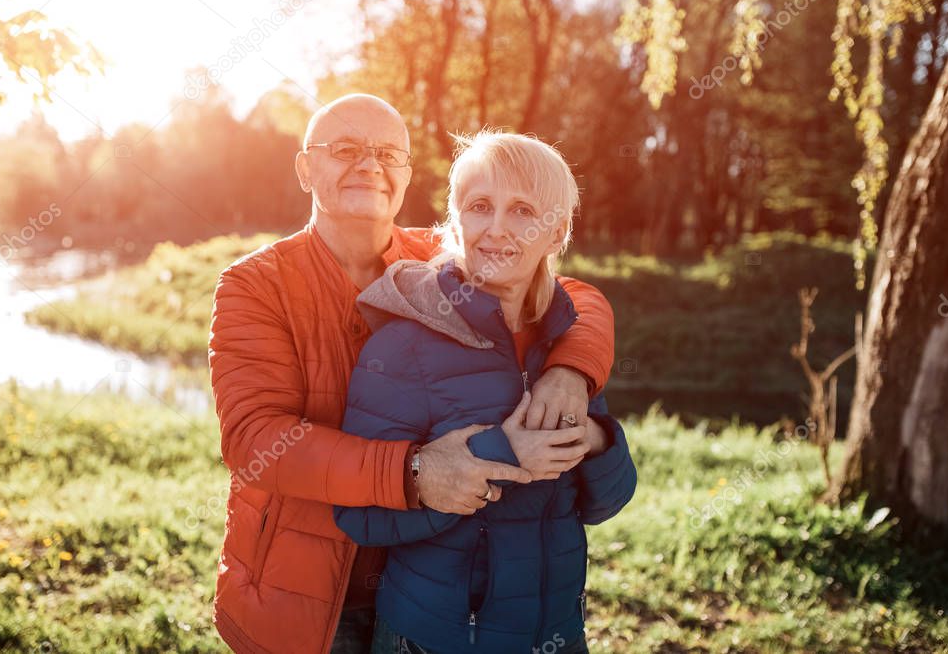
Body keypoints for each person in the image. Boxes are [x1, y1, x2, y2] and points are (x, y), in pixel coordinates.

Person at [208, 95, 617, 653]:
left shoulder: (439, 255)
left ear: (405, 174)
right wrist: (414, 471)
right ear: (306, 169)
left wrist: (571, 371)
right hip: (307, 589)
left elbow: (574, 297)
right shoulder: (254, 285)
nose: (369, 165)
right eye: (345, 149)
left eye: (387, 154)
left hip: (423, 583)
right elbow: (255, 439)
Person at [333, 131, 636, 653]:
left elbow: (606, 502)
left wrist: (594, 439)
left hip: (557, 635)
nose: (496, 229)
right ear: (456, 220)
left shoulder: (564, 344)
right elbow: (358, 515)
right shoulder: (404, 345)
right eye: (479, 207)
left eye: (522, 211)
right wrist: (500, 452)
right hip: (434, 641)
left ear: (557, 231)